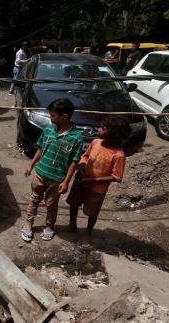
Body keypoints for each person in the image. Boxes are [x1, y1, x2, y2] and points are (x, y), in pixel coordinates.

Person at [60, 117, 132, 247]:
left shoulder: (118, 155)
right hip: (81, 180)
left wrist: (93, 180)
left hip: (97, 188)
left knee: (92, 211)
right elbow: (85, 156)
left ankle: (88, 232)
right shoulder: (96, 142)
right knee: (73, 202)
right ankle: (72, 224)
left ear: (114, 134)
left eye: (103, 128)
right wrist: (81, 167)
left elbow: (117, 176)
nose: (98, 129)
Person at [21, 98, 83, 242]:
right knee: (34, 200)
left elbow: (74, 162)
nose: (50, 117)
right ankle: (29, 224)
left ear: (65, 116)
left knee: (52, 204)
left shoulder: (76, 137)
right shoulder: (48, 129)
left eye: (53, 115)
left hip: (57, 179)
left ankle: (49, 226)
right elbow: (40, 148)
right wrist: (31, 165)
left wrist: (66, 181)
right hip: (40, 174)